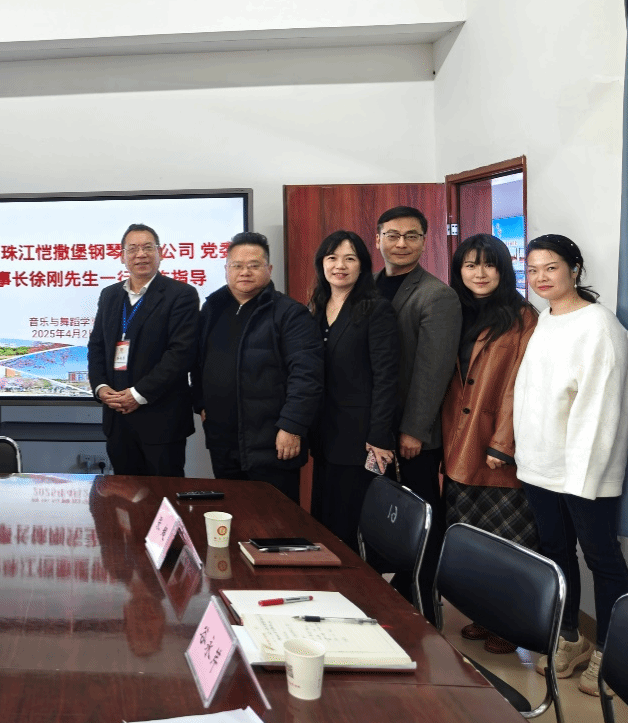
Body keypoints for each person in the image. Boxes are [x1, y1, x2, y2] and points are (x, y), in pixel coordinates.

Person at [514, 234, 628, 695]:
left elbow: (601, 411)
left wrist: (583, 478)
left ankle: (614, 652)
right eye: (533, 270)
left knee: (602, 558)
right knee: (555, 551)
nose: (541, 278)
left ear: (574, 269)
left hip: (583, 472)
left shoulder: (600, 326)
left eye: (551, 268)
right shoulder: (545, 318)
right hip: (539, 466)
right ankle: (570, 637)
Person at [439, 233, 538, 654]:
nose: (479, 273)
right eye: (470, 264)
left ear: (503, 268)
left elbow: (521, 385)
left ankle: (512, 624)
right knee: (474, 541)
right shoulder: (454, 312)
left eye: (489, 264)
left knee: (509, 540)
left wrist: (503, 443)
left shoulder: (522, 317)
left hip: (497, 448)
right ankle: (483, 614)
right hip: (457, 442)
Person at [373, 205, 459, 622]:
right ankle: (392, 594)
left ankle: (423, 602)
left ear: (425, 241)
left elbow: (432, 370)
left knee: (422, 517)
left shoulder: (436, 295)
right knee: (384, 514)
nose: (401, 243)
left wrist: (414, 431)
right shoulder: (369, 286)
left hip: (412, 436)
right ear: (378, 239)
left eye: (411, 236)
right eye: (392, 235)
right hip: (376, 429)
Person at [193, 232, 323, 502]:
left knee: (275, 518)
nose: (245, 272)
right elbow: (198, 361)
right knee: (230, 513)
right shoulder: (212, 309)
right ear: (226, 269)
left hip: (272, 443)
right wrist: (201, 403)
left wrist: (292, 426)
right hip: (223, 442)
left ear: (269, 269)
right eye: (237, 265)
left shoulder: (290, 313)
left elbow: (307, 375)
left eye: (254, 265)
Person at [306, 230, 399, 547]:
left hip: (360, 438)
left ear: (362, 265)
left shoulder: (375, 309)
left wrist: (380, 435)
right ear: (322, 263)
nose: (340, 266)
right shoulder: (316, 306)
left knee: (351, 523)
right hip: (324, 434)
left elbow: (387, 377)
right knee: (325, 518)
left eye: (350, 258)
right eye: (332, 258)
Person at [85, 223, 199, 477]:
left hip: (162, 419)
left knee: (164, 495)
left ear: (160, 253)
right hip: (117, 418)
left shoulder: (181, 295)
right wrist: (101, 387)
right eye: (133, 249)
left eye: (148, 247)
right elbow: (97, 346)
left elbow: (181, 354)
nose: (141, 254)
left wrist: (138, 394)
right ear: (122, 256)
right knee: (124, 494)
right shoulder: (110, 295)